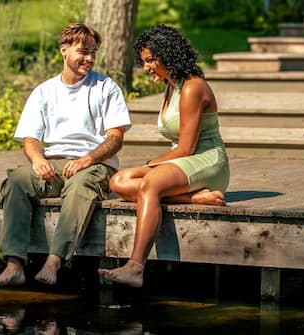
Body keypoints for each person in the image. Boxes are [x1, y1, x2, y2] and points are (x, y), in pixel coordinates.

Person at [0, 23, 132, 286]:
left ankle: (54, 262)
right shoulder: (44, 92)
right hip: (55, 164)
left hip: (95, 164)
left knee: (80, 185)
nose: (89, 58)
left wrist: (88, 159)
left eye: (93, 52)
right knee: (17, 181)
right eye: (83, 52)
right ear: (64, 50)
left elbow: (116, 138)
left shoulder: (105, 88)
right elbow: (30, 138)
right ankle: (14, 264)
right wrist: (38, 159)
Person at [98, 24, 230, 288]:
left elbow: (186, 149)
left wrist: (150, 165)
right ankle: (194, 198)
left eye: (150, 61)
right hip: (183, 161)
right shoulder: (171, 86)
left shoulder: (192, 88)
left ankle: (135, 267)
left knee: (150, 183)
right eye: (143, 61)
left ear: (167, 55)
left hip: (207, 160)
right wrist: (153, 167)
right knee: (119, 182)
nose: (146, 67)